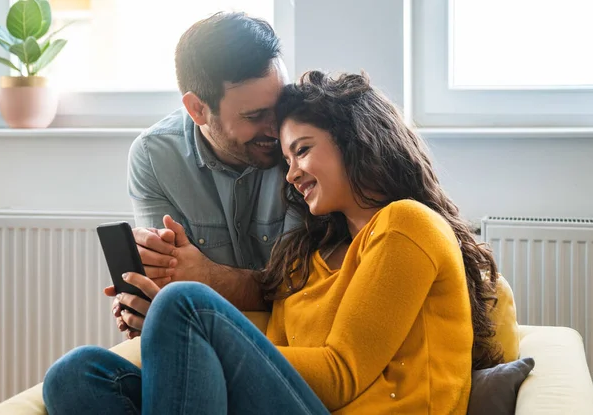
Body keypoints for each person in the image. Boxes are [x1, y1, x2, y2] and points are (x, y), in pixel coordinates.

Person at [43, 71, 503, 414]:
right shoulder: (309, 257)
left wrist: (211, 337)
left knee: (188, 305)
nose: (292, 173)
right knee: (76, 374)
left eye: (302, 150)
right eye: (286, 158)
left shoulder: (406, 225)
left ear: (356, 141)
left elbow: (341, 375)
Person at [108, 11, 293, 339]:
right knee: (73, 370)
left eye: (281, 106)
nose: (277, 127)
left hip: (287, 342)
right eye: (255, 115)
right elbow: (167, 288)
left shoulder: (307, 145)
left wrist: (206, 277)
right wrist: (144, 300)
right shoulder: (154, 156)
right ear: (197, 109)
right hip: (201, 338)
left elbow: (308, 292)